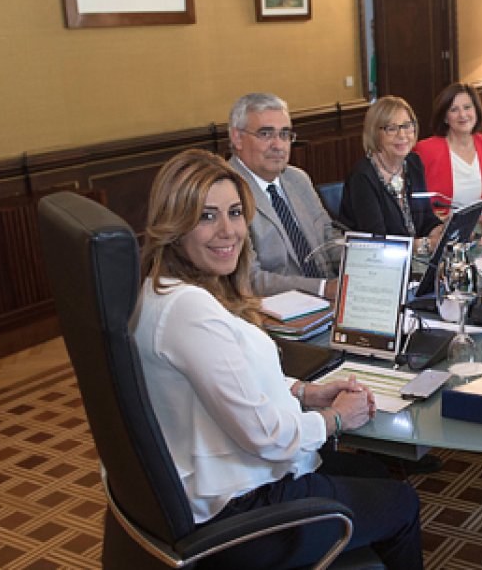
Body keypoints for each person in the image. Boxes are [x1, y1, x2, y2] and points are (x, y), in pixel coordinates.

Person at [133, 149, 423, 569]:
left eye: (234, 213)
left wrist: (306, 392)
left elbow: (229, 383)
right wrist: (335, 418)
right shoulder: (188, 311)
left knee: (376, 476)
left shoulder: (163, 289)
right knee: (402, 502)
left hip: (224, 476)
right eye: (206, 216)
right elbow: (268, 438)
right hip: (241, 507)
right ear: (174, 225)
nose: (228, 231)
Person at [228, 92, 339, 298]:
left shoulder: (297, 179)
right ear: (237, 138)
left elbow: (329, 238)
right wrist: (323, 288)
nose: (278, 145)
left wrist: (368, 263)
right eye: (265, 134)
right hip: (279, 315)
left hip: (333, 300)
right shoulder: (227, 191)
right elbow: (250, 279)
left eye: (284, 134)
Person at [339, 96, 443, 251]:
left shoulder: (413, 163)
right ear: (375, 133)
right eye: (391, 128)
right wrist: (425, 245)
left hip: (414, 259)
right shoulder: (362, 177)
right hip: (377, 264)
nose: (402, 135)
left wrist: (442, 232)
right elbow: (378, 242)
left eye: (407, 125)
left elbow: (426, 218)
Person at [413, 83, 482, 211]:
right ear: (445, 117)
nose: (462, 115)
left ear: (476, 110)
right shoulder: (426, 150)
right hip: (443, 227)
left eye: (467, 107)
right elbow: (419, 203)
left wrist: (475, 213)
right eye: (454, 110)